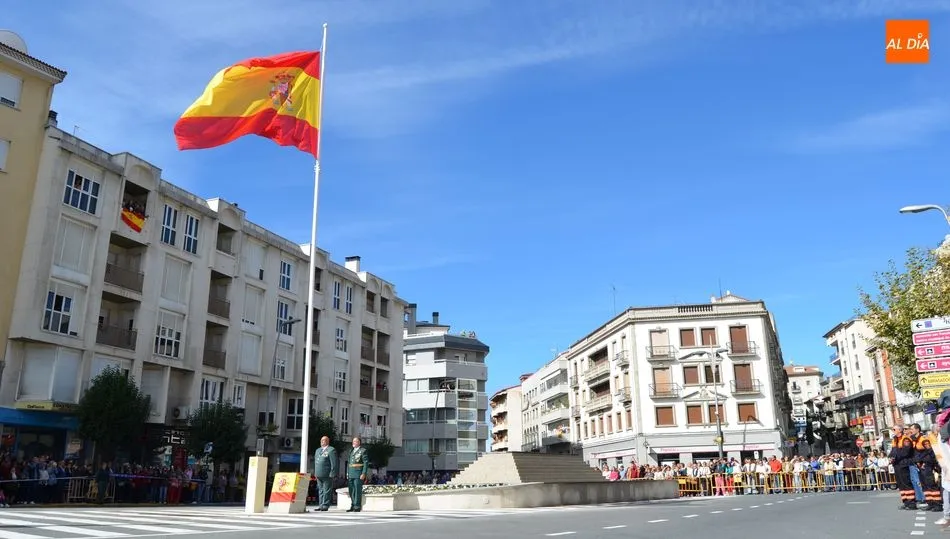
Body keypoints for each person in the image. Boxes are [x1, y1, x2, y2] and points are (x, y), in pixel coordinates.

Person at [911, 423, 943, 511]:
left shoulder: (923, 439)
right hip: (919, 465)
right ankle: (930, 503)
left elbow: (930, 452)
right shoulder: (914, 440)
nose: (911, 431)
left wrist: (928, 463)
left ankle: (938, 504)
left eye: (912, 429)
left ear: (917, 429)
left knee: (931, 484)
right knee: (924, 485)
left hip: (926, 465)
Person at [890, 425, 917, 510]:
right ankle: (905, 502)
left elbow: (906, 452)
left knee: (906, 483)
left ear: (899, 430)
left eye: (894, 429)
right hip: (897, 464)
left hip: (904, 464)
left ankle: (911, 503)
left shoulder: (905, 439)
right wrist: (890, 457)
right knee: (901, 484)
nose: (893, 430)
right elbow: (892, 451)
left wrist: (895, 457)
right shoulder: (894, 439)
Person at [313, 436, 338, 511]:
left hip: (327, 474)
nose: (322, 442)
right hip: (318, 473)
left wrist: (333, 473)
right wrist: (315, 473)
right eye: (321, 440)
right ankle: (321, 505)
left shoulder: (331, 450)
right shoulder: (318, 450)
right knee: (320, 490)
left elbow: (334, 463)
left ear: (327, 441)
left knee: (327, 490)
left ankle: (325, 505)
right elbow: (316, 463)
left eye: (324, 440)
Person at [346, 437, 370, 512]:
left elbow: (365, 463)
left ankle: (357, 506)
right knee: (351, 490)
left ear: (359, 442)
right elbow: (349, 463)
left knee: (357, 490)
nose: (354, 442)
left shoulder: (362, 451)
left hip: (358, 473)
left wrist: (364, 473)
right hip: (351, 472)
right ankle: (353, 505)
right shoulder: (351, 451)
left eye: (355, 441)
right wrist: (347, 473)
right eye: (353, 441)